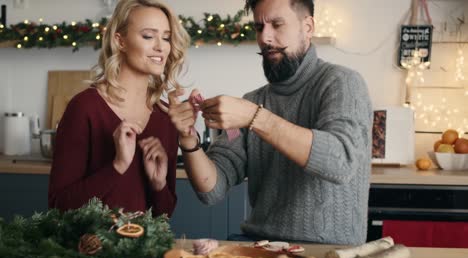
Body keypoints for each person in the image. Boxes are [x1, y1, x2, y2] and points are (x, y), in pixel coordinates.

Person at [168, 0, 373, 244]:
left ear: (307, 27)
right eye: (258, 27)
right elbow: (211, 190)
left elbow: (341, 161)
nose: (265, 38)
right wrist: (188, 139)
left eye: (277, 24)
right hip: (259, 247)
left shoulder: (343, 82)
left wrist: (255, 117)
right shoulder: (252, 102)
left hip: (329, 254)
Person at [48, 0, 190, 217]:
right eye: (148, 36)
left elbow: (164, 214)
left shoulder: (165, 117)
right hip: (87, 249)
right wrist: (118, 166)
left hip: (145, 250)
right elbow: (59, 206)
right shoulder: (84, 108)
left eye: (166, 37)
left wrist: (158, 184)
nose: (161, 47)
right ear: (120, 40)